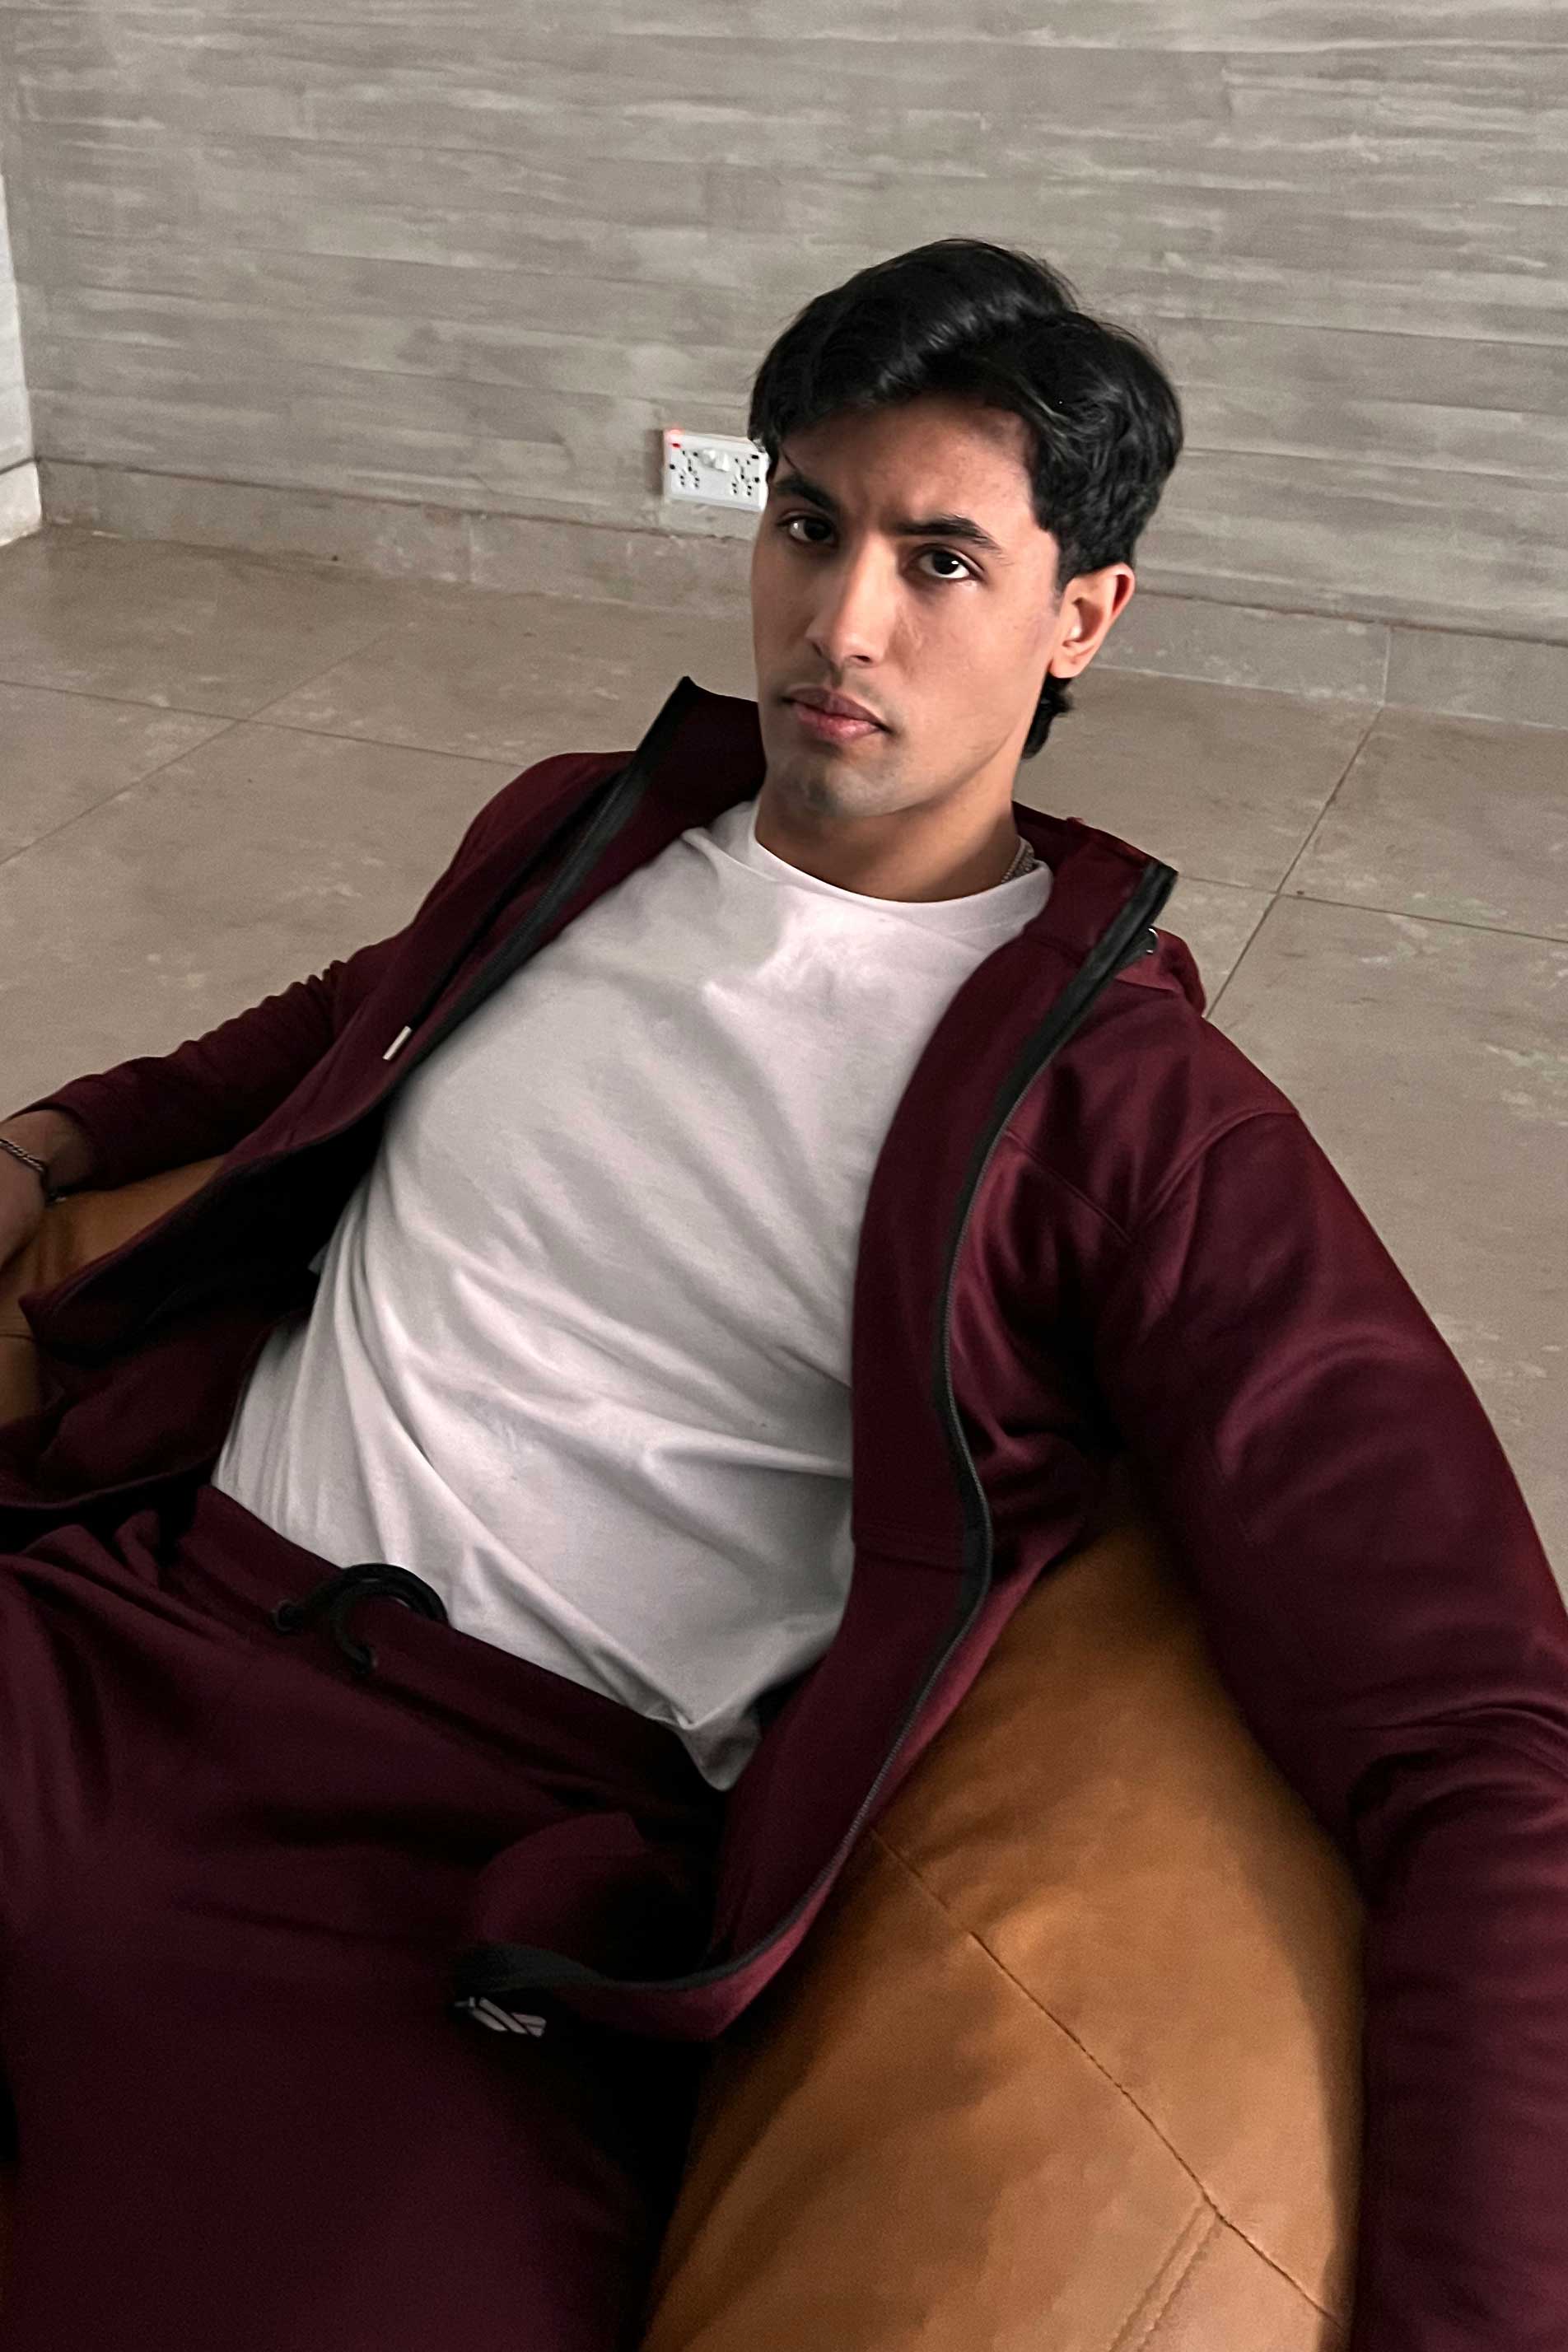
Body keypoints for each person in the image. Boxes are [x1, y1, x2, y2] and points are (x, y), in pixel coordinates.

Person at [0, 236, 1563, 2352]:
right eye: (809, 525)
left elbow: (1477, 1731)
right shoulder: (583, 834)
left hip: (456, 1864)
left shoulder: (1136, 1119)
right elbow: (347, 1013)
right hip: (109, 1621)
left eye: (941, 561)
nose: (840, 624)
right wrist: (54, 1139)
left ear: (1083, 614)